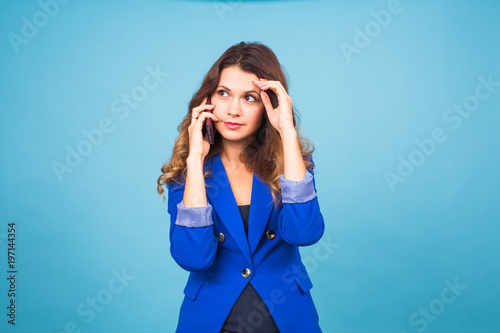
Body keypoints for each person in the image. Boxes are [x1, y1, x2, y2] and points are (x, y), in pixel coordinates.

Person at [157, 41, 325, 333]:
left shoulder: (292, 163)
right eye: (224, 93)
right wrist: (195, 160)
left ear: (268, 105)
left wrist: (286, 130)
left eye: (249, 98)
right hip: (211, 320)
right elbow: (194, 258)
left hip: (286, 318)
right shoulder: (187, 174)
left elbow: (305, 233)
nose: (233, 110)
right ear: (208, 100)